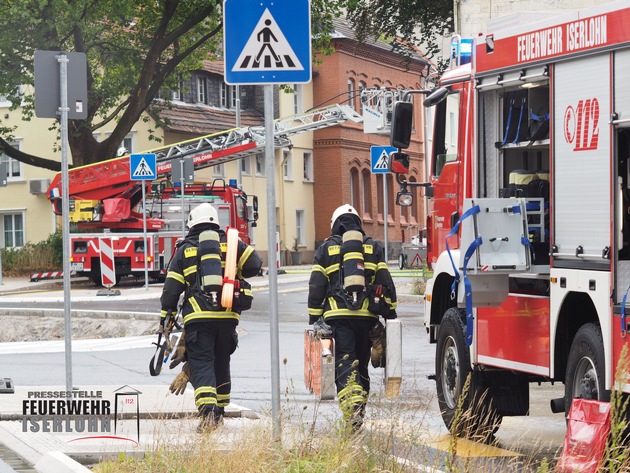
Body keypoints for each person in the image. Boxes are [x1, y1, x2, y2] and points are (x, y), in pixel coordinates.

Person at [160, 203, 262, 432]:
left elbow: (171, 288)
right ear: (215, 221)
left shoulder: (184, 248)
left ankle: (208, 415)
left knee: (202, 361)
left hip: (198, 317)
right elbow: (256, 264)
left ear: (192, 223)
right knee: (221, 360)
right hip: (228, 314)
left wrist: (166, 316)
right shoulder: (234, 243)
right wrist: (234, 271)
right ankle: (221, 410)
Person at [307, 204, 397, 431]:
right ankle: (358, 413)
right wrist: (391, 312)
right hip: (367, 319)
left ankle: (352, 408)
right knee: (361, 365)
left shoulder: (326, 249)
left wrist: (314, 318)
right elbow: (386, 282)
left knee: (345, 364)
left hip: (338, 318)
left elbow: (317, 286)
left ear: (334, 225)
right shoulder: (372, 248)